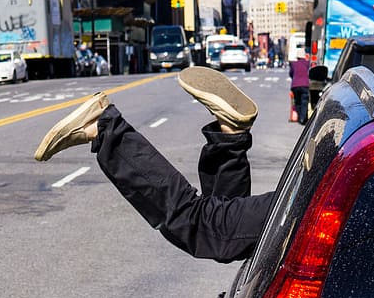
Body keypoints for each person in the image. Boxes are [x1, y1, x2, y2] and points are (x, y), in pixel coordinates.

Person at [33, 66, 275, 262]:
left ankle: (231, 137)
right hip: (311, 204)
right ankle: (104, 128)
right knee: (202, 225)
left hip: (311, 193)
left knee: (224, 227)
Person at [289, 52, 310, 125]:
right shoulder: (307, 63)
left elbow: (291, 73)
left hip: (295, 86)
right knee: (304, 102)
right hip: (305, 85)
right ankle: (303, 118)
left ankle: (299, 118)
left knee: (297, 102)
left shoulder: (293, 64)